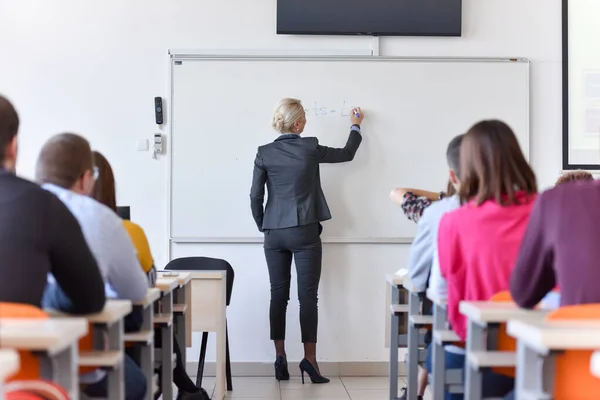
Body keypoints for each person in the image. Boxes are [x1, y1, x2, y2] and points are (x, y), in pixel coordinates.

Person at [250, 98, 364, 384]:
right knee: (307, 297)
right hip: (304, 233)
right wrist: (355, 125)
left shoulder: (264, 152)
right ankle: (310, 361)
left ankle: (279, 358)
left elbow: (255, 196)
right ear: (298, 123)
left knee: (278, 294)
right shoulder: (309, 147)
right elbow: (347, 153)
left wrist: (264, 225)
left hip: (273, 233)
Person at [36, 133, 148, 400]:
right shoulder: (102, 219)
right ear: (86, 177)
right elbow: (136, 292)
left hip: (18, 363)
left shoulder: (18, 209)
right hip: (83, 357)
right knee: (138, 384)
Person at [91, 150, 209, 400]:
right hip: (114, 327)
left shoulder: (53, 228)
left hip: (64, 331)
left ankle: (187, 388)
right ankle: (186, 388)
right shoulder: (126, 230)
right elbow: (146, 283)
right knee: (155, 322)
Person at [436, 120, 538, 400]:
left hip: (483, 352)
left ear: (463, 169)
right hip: (546, 354)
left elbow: (442, 290)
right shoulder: (546, 211)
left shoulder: (453, 222)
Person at [0, 95, 105, 314]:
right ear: (13, 146)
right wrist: (45, 295)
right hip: (20, 346)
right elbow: (91, 299)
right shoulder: (42, 204)